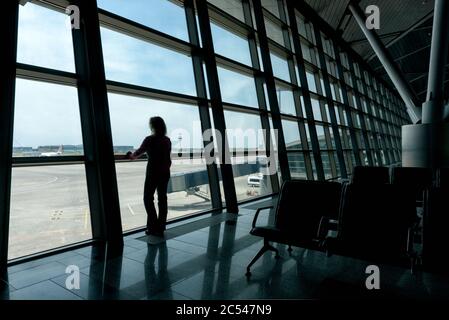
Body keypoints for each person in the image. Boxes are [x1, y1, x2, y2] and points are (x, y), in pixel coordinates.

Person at [127, 117, 171, 237]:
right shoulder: (167, 140)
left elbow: (138, 153)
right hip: (165, 172)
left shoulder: (149, 139)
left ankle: (152, 226)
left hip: (153, 172)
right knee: (162, 199)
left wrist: (130, 155)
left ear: (152, 126)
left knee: (148, 198)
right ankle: (161, 227)